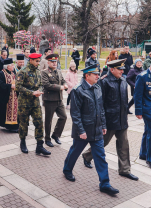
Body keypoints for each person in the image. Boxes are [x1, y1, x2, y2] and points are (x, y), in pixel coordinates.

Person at [63, 64, 119, 195]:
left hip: (97, 130)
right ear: (87, 75)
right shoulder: (78, 90)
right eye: (95, 74)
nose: (98, 76)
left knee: (100, 157)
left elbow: (101, 109)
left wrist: (104, 125)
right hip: (83, 130)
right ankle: (67, 170)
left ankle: (105, 184)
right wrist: (81, 131)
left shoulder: (98, 88)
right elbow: (75, 114)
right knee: (75, 152)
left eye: (98, 74)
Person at [82, 59, 138, 181]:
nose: (122, 71)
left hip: (122, 120)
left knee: (124, 145)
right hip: (109, 120)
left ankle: (124, 170)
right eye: (120, 69)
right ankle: (87, 156)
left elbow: (124, 101)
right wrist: (102, 122)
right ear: (112, 70)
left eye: (123, 69)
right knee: (103, 143)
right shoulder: (104, 82)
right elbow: (100, 103)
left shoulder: (123, 81)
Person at [16, 53, 51, 155]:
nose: (38, 63)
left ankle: (39, 146)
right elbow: (18, 87)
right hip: (24, 104)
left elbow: (41, 85)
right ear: (30, 60)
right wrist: (32, 92)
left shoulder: (37, 71)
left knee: (39, 123)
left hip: (35, 103)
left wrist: (39, 91)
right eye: (36, 61)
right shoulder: (23, 72)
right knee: (23, 124)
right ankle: (22, 142)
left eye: (39, 61)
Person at [41, 54, 68, 147]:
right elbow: (46, 85)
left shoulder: (59, 71)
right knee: (48, 120)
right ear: (48, 62)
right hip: (49, 100)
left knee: (64, 117)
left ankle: (56, 135)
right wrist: (60, 87)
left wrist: (65, 85)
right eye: (52, 62)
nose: (54, 63)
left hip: (59, 99)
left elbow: (63, 80)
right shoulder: (44, 72)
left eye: (55, 61)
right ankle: (47, 139)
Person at [134, 62, 151, 168]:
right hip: (147, 110)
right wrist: (138, 111)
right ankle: (150, 159)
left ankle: (143, 154)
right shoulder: (142, 76)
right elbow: (137, 95)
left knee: (147, 131)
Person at [0, 58, 18, 132]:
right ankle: (9, 126)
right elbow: (0, 85)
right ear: (8, 66)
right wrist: (10, 86)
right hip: (6, 97)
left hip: (14, 96)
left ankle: (14, 125)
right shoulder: (1, 74)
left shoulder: (12, 73)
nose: (13, 66)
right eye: (12, 65)